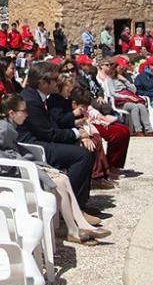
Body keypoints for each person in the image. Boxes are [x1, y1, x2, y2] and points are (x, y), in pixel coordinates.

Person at [0, 93, 108, 244]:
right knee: (60, 182)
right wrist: (15, 159)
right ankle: (73, 230)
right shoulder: (2, 127)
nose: (27, 114)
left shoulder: (8, 125)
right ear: (12, 113)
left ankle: (80, 225)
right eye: (24, 111)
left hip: (22, 166)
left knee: (63, 179)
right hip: (15, 171)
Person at [15, 61, 96, 210]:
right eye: (54, 80)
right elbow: (49, 133)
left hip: (42, 139)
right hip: (34, 146)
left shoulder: (37, 97)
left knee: (89, 148)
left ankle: (81, 202)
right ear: (43, 83)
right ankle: (71, 207)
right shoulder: (31, 101)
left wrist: (78, 134)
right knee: (82, 155)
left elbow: (51, 127)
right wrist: (77, 133)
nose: (57, 83)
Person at [98, 58, 153, 136]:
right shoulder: (110, 78)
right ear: (115, 67)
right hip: (120, 101)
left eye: (123, 67)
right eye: (120, 67)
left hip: (130, 97)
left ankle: (148, 130)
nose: (123, 68)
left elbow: (134, 90)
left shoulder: (126, 76)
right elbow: (113, 93)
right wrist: (126, 97)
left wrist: (125, 80)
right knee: (134, 107)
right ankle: (138, 130)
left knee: (141, 106)